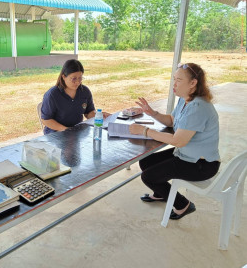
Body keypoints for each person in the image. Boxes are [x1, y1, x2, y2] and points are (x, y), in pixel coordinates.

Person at [129, 62, 221, 220]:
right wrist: (152, 113)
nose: (174, 83)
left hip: (201, 165)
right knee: (146, 162)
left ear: (193, 83)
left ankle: (182, 204)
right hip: (187, 156)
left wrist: (146, 131)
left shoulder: (198, 107)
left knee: (148, 177)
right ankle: (161, 193)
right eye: (174, 79)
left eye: (179, 80)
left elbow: (178, 141)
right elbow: (172, 120)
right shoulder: (185, 100)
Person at [41, 59, 109, 134]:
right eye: (73, 79)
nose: (77, 82)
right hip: (56, 134)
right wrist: (66, 130)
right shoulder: (53, 94)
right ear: (64, 77)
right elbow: (46, 120)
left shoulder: (84, 92)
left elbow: (88, 112)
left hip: (76, 133)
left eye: (80, 78)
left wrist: (98, 116)